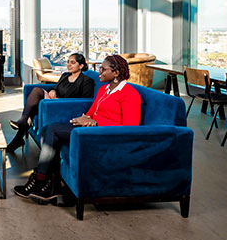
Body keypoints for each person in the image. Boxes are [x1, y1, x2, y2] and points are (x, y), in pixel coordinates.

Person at [13, 54, 142, 205]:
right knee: (47, 129)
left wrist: (94, 123)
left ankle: (40, 179)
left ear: (116, 73)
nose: (99, 71)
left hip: (104, 135)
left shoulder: (130, 95)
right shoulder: (103, 90)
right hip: (91, 129)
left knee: (53, 130)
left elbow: (130, 128)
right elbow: (92, 111)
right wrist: (84, 118)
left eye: (103, 69)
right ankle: (51, 184)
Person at [6, 53, 96, 153]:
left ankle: (20, 133)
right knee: (36, 91)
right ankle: (22, 122)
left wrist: (59, 101)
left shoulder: (87, 81)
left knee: (34, 108)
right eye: (68, 62)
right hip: (52, 103)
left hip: (64, 106)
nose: (68, 65)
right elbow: (56, 87)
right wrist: (53, 91)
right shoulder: (65, 75)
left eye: (73, 63)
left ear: (81, 66)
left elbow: (83, 102)